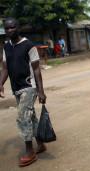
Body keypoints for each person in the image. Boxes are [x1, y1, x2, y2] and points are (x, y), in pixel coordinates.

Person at [0, 18, 47, 167]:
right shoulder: (6, 47)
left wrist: (41, 91)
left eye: (12, 28)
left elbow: (37, 69)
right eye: (6, 28)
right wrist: (0, 83)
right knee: (30, 116)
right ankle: (40, 143)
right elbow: (5, 68)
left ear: (18, 28)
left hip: (29, 86)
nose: (9, 31)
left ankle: (30, 151)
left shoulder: (29, 46)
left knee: (22, 117)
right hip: (16, 88)